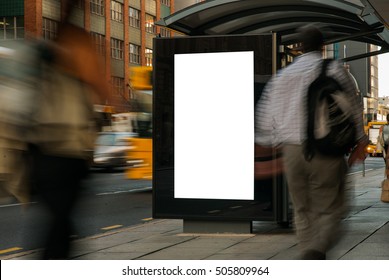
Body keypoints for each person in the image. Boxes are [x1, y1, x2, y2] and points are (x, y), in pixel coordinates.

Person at [255, 25, 368, 260]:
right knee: (331, 207)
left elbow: (265, 119)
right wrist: (360, 141)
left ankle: (308, 251)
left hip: (292, 152)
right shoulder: (334, 69)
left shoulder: (282, 76)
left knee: (302, 208)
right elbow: (353, 107)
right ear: (323, 46)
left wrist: (264, 155)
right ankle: (316, 251)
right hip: (326, 149)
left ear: (299, 47)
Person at [27, 0, 109, 259]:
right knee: (60, 224)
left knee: (59, 222)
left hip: (48, 153)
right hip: (62, 155)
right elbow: (100, 86)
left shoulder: (49, 66)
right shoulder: (67, 72)